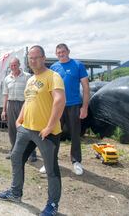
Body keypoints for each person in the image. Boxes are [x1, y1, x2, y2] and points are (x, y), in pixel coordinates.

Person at [0, 45, 65, 216]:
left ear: (43, 58)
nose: (33, 61)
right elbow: (28, 101)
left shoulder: (53, 76)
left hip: (46, 133)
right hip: (26, 129)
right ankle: (15, 193)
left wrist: (50, 126)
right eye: (30, 58)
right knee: (16, 158)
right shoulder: (30, 79)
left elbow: (59, 100)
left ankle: (52, 205)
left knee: (51, 169)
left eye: (36, 57)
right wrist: (20, 119)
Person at [48, 43, 89, 176]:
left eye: (63, 52)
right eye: (58, 52)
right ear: (56, 54)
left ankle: (76, 161)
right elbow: (50, 88)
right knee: (53, 133)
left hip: (74, 105)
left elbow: (86, 87)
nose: (61, 54)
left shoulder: (78, 65)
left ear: (68, 51)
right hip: (57, 106)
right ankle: (51, 161)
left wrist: (85, 107)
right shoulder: (54, 67)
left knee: (75, 134)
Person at [1, 57, 37, 162]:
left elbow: (32, 93)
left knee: (27, 128)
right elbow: (5, 95)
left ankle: (31, 153)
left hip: (24, 104)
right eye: (11, 66)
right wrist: (4, 110)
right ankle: (14, 151)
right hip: (11, 104)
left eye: (15, 65)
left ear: (19, 65)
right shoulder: (7, 78)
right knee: (12, 129)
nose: (13, 67)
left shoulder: (27, 77)